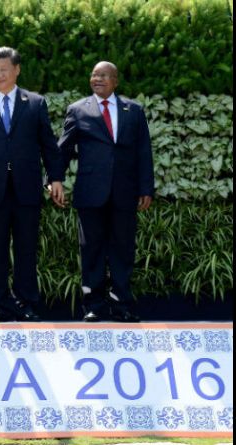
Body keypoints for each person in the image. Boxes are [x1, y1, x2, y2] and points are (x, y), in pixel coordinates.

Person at [0, 46, 65, 323]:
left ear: (16, 70)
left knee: (26, 249)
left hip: (26, 187)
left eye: (4, 69)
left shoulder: (35, 103)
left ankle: (26, 303)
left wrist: (55, 178)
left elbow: (48, 145)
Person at [57, 61, 154, 322]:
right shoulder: (78, 110)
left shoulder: (134, 110)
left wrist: (146, 187)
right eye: (94, 75)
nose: (97, 79)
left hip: (125, 192)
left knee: (123, 249)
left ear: (115, 81)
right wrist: (54, 179)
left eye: (103, 75)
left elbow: (143, 151)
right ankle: (94, 306)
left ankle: (121, 305)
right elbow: (63, 149)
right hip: (90, 192)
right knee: (91, 250)